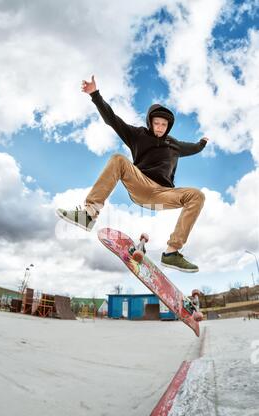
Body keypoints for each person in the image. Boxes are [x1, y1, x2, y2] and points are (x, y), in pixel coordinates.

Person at [57, 75, 209, 273]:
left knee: (197, 195)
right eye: (157, 124)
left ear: (168, 126)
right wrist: (95, 95)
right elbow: (113, 120)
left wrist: (202, 143)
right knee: (118, 159)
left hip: (163, 194)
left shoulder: (175, 145)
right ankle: (89, 213)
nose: (160, 128)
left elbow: (195, 147)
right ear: (150, 122)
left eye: (164, 125)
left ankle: (172, 252)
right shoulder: (138, 135)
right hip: (141, 184)